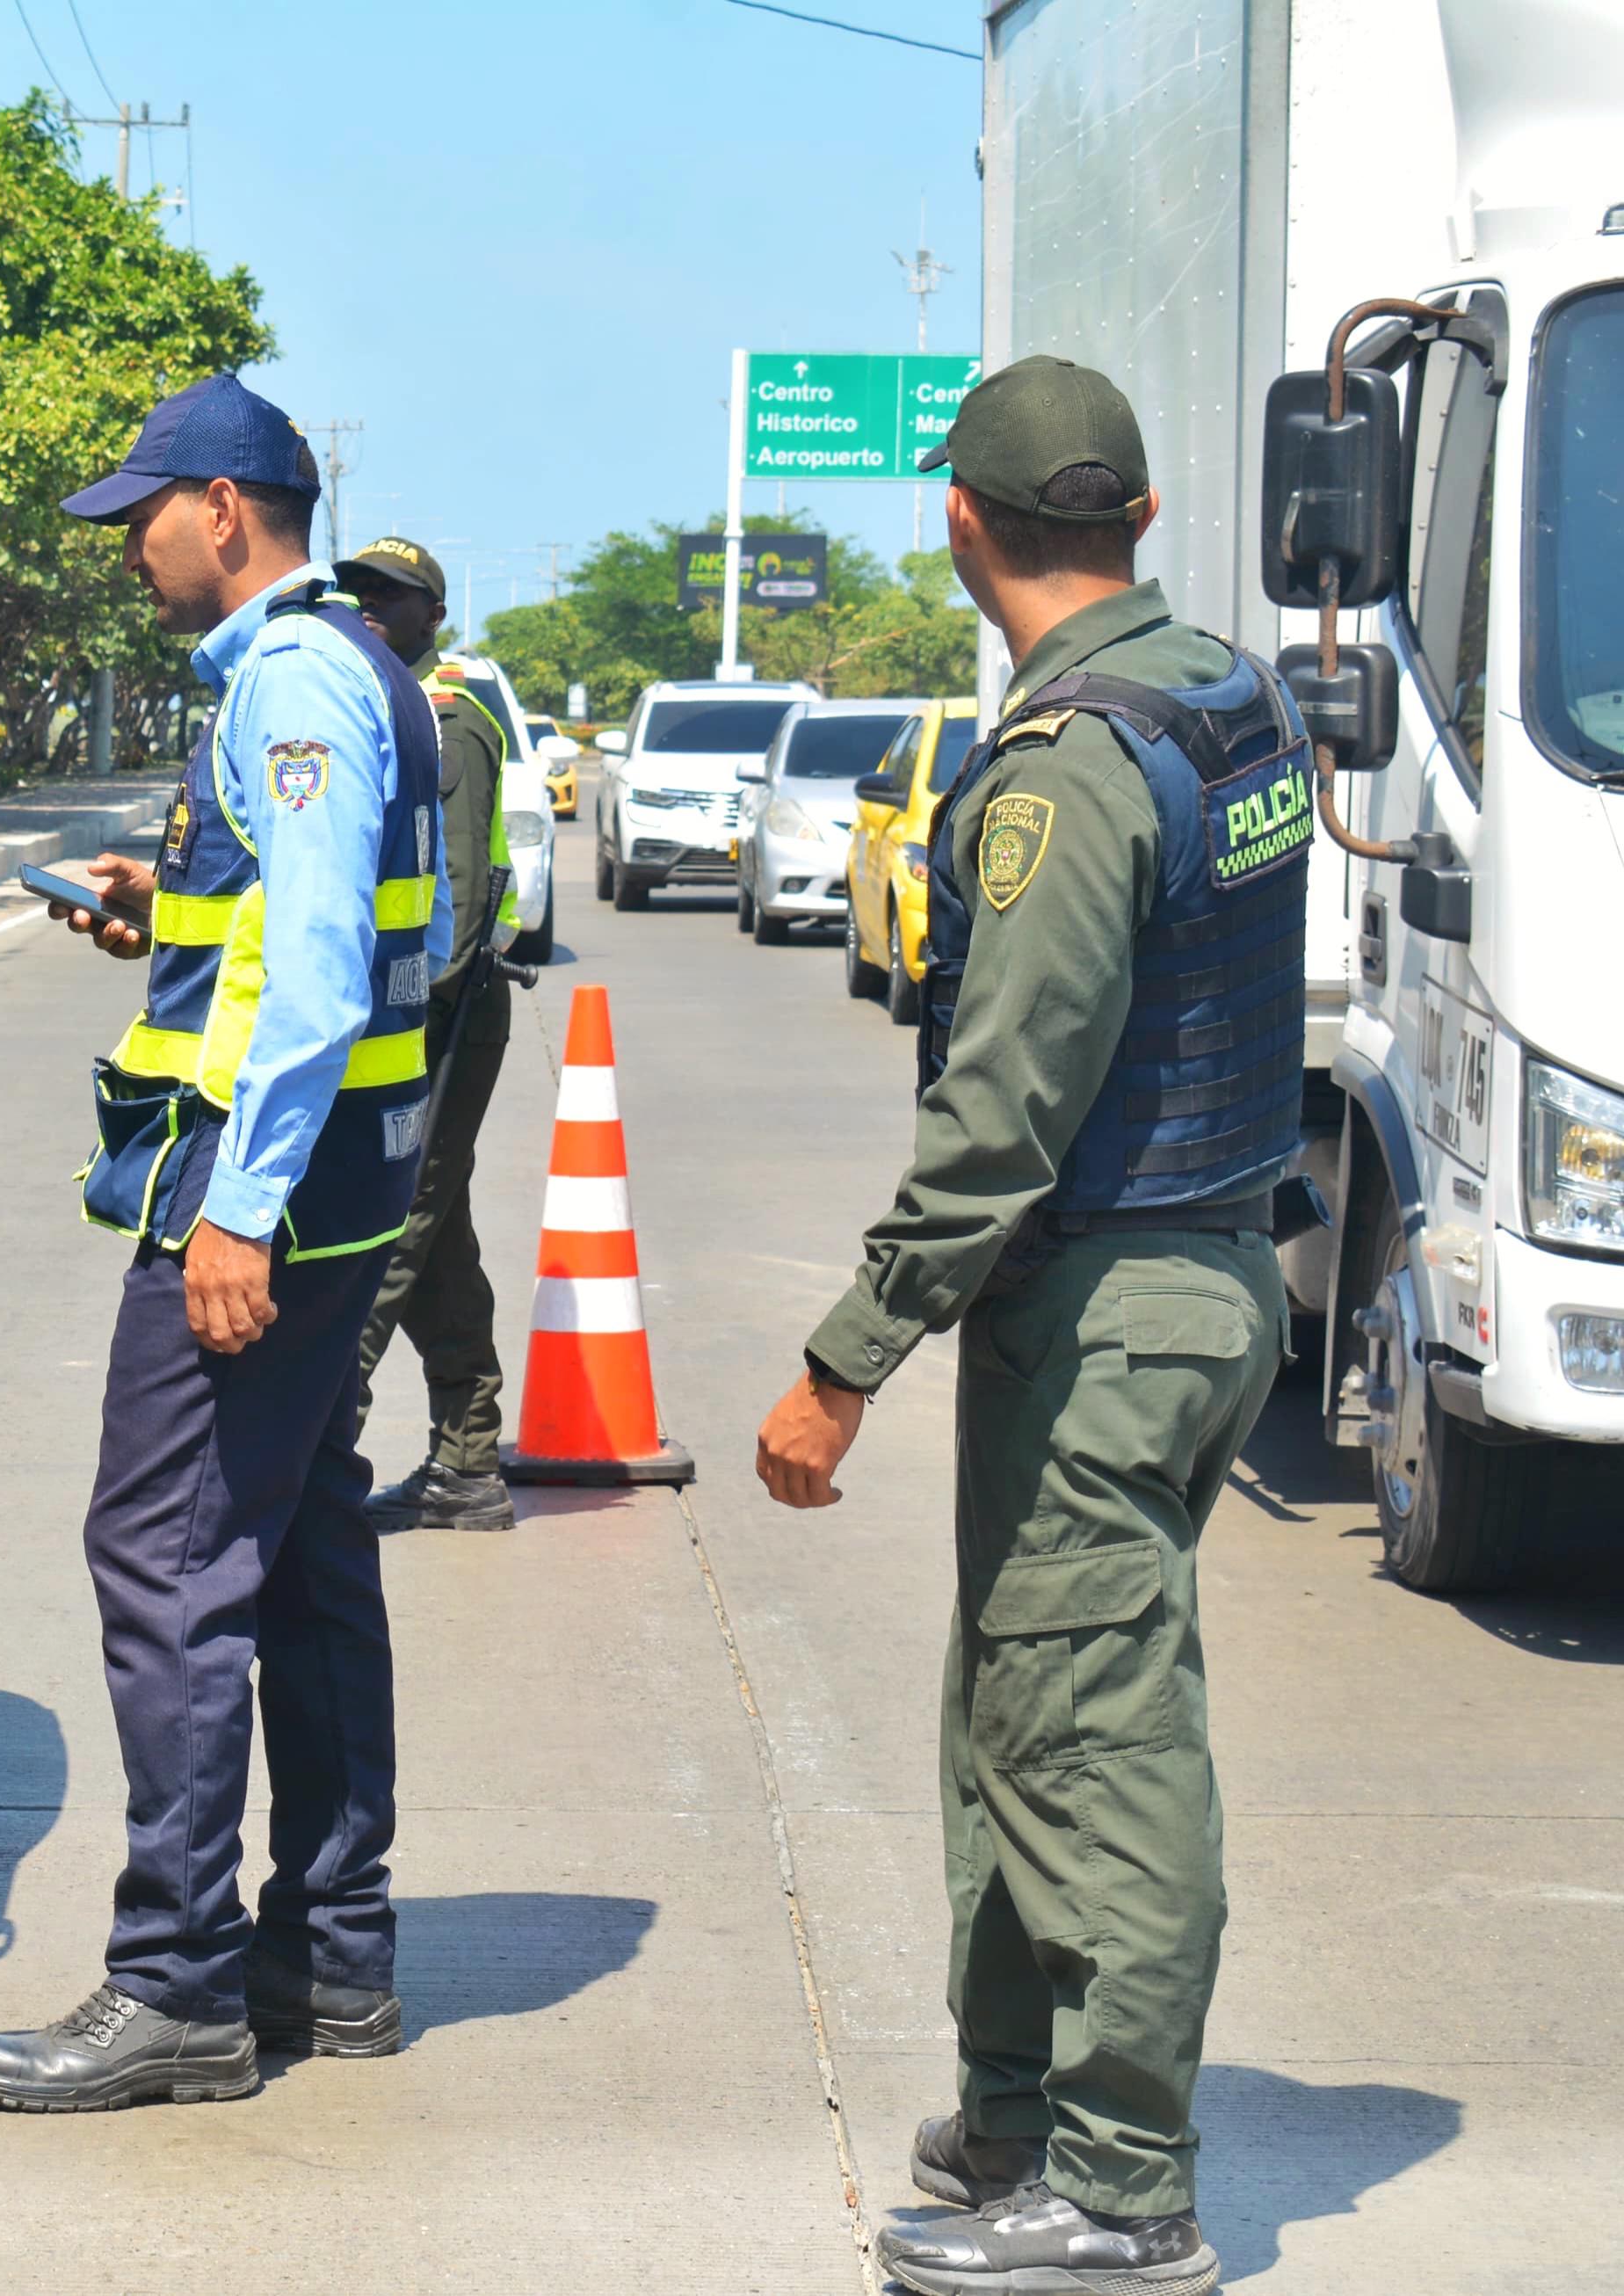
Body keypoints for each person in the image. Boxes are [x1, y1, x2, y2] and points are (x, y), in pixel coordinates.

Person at [754, 354, 1304, 2296]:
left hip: (1110, 1301)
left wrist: (844, 1358)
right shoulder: (1229, 692)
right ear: (1137, 518)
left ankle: (1125, 2185)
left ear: (962, 523)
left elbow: (1003, 1111)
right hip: (1211, 1262)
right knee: (1018, 1696)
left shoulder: (1066, 769)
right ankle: (1015, 2112)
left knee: (1088, 1731)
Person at [0, 374, 446, 2111]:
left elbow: (316, 973)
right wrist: (166, 910)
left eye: (145, 517)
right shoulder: (350, 669)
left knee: (162, 1558)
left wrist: (239, 1202)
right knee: (298, 1550)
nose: (131, 550)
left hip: (267, 1205)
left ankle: (174, 1985)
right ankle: (331, 1947)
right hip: (339, 1189)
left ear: (225, 510)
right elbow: (343, 919)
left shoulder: (295, 680)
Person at [331, 538, 519, 1532]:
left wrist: (380, 1022)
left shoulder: (442, 721)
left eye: (389, 596)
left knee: (387, 1229)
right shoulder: (386, 702)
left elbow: (447, 919)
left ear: (429, 616)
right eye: (353, 588)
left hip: (435, 1016)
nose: (365, 606)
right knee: (434, 1238)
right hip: (409, 1015)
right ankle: (466, 1460)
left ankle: (312, 1447)